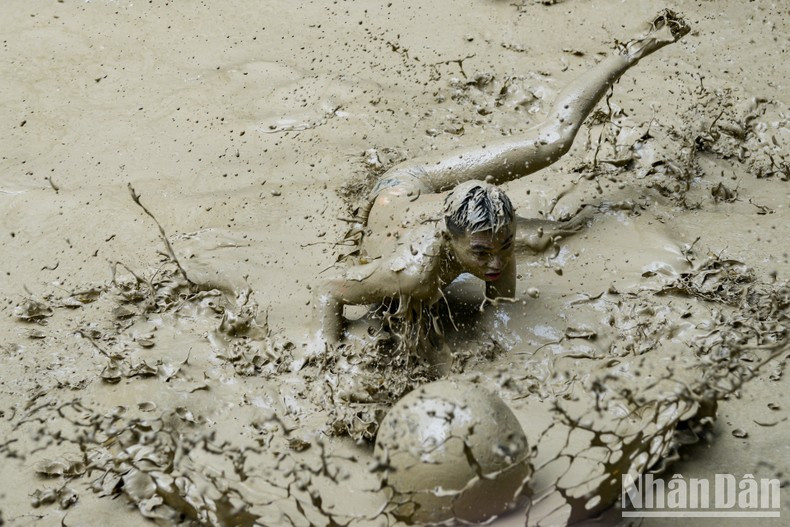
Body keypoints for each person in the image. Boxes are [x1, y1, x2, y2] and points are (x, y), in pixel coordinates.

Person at [313, 10, 689, 349]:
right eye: (481, 253)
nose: (495, 264)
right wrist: (325, 348)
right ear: (449, 239)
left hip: (447, 205)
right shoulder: (411, 274)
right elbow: (329, 290)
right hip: (407, 185)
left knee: (552, 142)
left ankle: (629, 51)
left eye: (504, 246)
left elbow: (501, 308)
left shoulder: (496, 242)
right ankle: (522, 234)